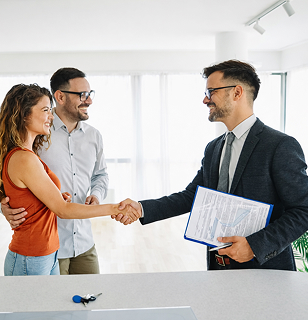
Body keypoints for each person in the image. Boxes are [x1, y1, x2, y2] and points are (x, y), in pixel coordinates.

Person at [116, 59, 308, 271]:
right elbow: (194, 196)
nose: (205, 100)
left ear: (237, 93)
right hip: (219, 266)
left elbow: (303, 209)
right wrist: (141, 208)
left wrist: (254, 246)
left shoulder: (280, 145)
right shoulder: (214, 148)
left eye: (211, 92)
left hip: (266, 269)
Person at [0, 83, 135, 276]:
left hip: (47, 253)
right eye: (46, 110)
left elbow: (38, 199)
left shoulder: (29, 154)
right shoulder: (24, 158)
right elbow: (63, 210)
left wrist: (54, 197)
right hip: (30, 258)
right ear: (24, 115)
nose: (51, 116)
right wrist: (115, 208)